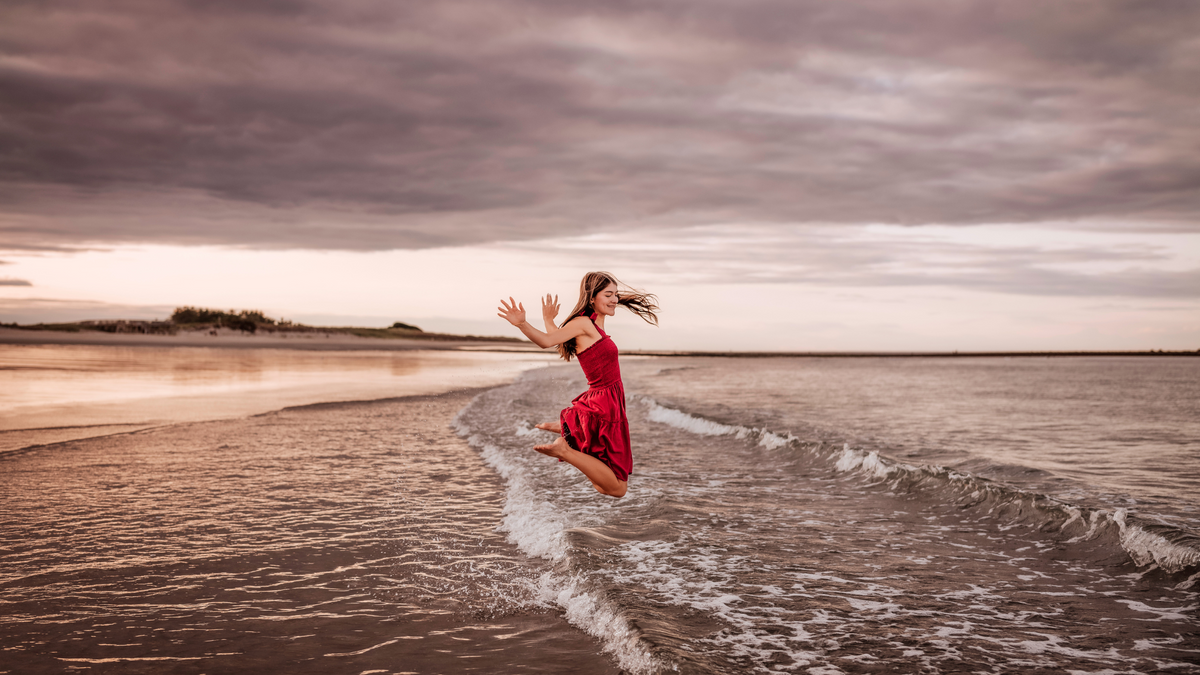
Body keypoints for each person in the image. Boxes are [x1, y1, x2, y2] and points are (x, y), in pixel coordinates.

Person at [497, 271, 659, 498]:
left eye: (616, 294)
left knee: (603, 486)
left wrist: (549, 321)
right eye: (608, 294)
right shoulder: (583, 323)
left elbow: (560, 339)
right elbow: (546, 342)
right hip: (604, 402)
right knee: (618, 488)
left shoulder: (593, 324)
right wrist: (523, 324)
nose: (615, 299)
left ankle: (571, 428)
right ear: (592, 297)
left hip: (606, 400)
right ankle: (566, 444)